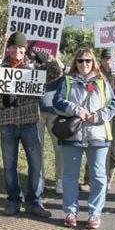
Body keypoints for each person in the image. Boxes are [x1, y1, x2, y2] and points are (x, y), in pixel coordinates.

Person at [0, 32, 51, 218]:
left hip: (30, 123)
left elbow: (56, 74)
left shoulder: (34, 69)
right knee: (9, 165)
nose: (17, 51)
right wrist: (4, 101)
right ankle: (13, 200)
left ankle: (35, 201)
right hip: (7, 124)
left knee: (36, 164)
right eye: (14, 47)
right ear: (8, 49)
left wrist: (48, 61)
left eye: (21, 48)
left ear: (25, 49)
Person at [53, 48, 115, 229]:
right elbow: (57, 102)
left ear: (93, 62)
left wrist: (97, 117)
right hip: (72, 135)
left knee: (98, 177)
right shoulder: (66, 80)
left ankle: (94, 213)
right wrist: (75, 110)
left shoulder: (102, 81)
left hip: (98, 136)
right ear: (75, 62)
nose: (84, 64)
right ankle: (70, 212)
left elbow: (113, 105)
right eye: (80, 60)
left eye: (88, 60)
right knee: (70, 176)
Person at [80, 48, 115, 191]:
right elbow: (88, 90)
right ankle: (89, 180)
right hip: (98, 115)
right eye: (106, 58)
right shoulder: (94, 73)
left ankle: (108, 179)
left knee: (112, 149)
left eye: (111, 58)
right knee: (93, 147)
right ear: (100, 60)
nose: (108, 61)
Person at [37, 54, 65, 194]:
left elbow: (64, 73)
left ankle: (60, 180)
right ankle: (39, 179)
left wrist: (55, 60)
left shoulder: (58, 68)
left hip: (55, 113)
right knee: (38, 148)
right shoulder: (33, 67)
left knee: (60, 148)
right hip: (37, 113)